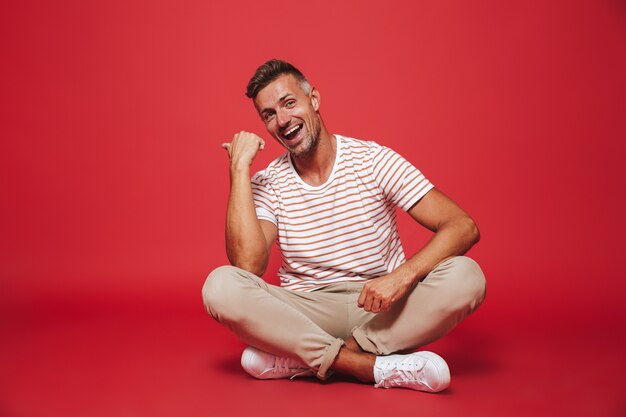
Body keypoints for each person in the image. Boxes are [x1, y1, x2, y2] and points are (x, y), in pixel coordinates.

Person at [202, 59, 486, 392]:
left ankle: (308, 359)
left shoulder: (373, 160)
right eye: (268, 114)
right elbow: (248, 265)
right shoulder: (269, 183)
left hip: (381, 307)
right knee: (220, 285)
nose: (282, 120)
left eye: (289, 103)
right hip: (307, 309)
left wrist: (401, 277)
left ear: (315, 100)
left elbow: (462, 225)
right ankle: (367, 366)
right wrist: (239, 169)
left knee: (467, 275)